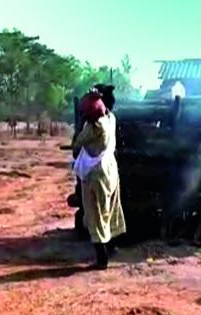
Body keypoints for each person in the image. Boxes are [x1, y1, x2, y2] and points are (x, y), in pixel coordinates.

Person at [73, 91, 126, 269]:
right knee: (108, 210)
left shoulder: (94, 126)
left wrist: (81, 126)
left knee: (94, 214)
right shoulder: (111, 119)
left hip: (95, 174)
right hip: (110, 168)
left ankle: (101, 259)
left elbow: (77, 142)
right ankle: (112, 248)